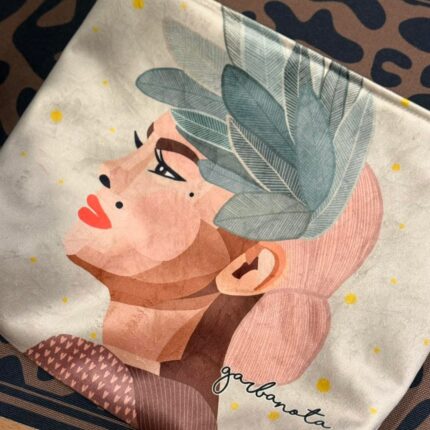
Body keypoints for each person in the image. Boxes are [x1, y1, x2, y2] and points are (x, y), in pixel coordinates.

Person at [26, 10, 383, 429]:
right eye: (140, 146)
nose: (110, 169)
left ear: (247, 269)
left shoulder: (102, 379)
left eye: (166, 169)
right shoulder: (95, 365)